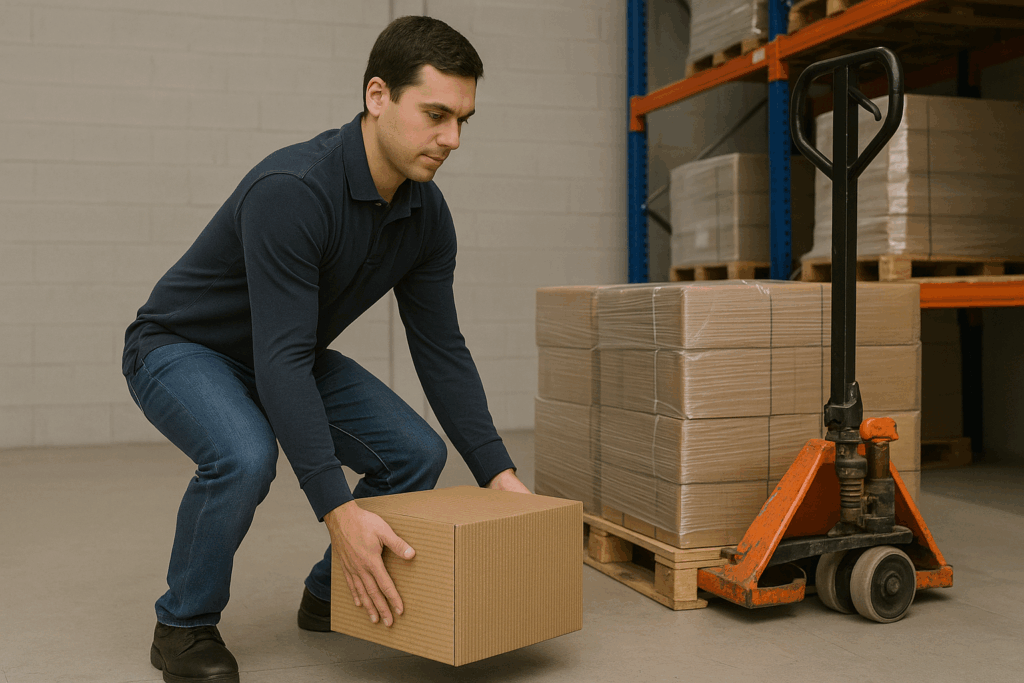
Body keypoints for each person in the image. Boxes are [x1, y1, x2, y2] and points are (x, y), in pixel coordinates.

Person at [122, 16, 530, 683]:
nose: (451, 139)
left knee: (415, 454)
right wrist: (337, 509)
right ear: (377, 97)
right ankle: (183, 624)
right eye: (434, 114)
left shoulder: (426, 216)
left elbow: (442, 350)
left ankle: (329, 591)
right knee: (244, 454)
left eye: (463, 120)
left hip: (278, 350)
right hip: (181, 347)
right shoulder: (294, 191)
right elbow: (281, 359)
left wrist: (497, 473)